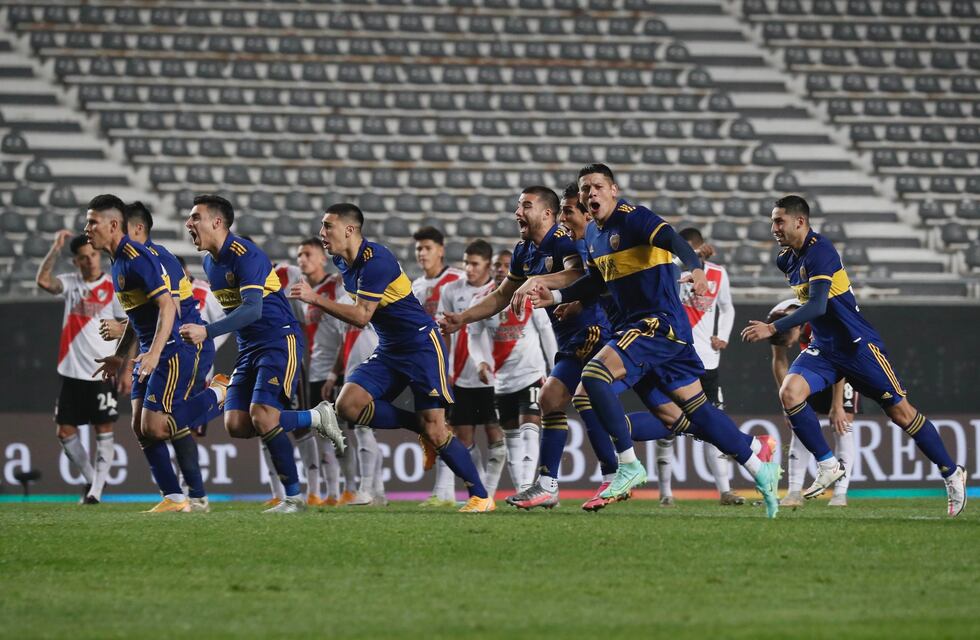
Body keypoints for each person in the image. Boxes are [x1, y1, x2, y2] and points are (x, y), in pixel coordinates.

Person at [529, 164, 782, 518]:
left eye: (597, 187)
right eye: (585, 190)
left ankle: (627, 465)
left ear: (614, 190)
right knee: (691, 412)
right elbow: (598, 283)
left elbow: (675, 241)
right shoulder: (595, 237)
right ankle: (758, 463)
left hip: (656, 325)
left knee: (594, 377)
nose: (591, 194)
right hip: (652, 334)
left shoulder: (634, 218)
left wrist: (695, 269)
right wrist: (557, 299)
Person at [741, 195, 966, 516]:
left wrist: (771, 328)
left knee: (902, 414)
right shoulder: (786, 259)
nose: (773, 227)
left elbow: (818, 305)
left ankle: (950, 472)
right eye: (772, 220)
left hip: (858, 347)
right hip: (824, 348)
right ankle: (828, 464)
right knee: (789, 392)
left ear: (799, 221)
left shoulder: (821, 251)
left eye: (779, 220)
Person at [285, 203, 494, 513]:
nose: (322, 233)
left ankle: (481, 496)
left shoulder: (376, 261)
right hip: (390, 349)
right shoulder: (344, 264)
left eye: (328, 226)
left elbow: (360, 315)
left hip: (421, 346)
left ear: (349, 230)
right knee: (348, 405)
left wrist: (316, 298)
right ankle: (420, 427)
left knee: (438, 429)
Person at [442, 185, 613, 510]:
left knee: (581, 400)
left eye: (526, 206)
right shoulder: (524, 251)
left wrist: (539, 281)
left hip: (592, 331)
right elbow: (502, 296)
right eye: (519, 206)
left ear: (547, 213)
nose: (518, 212)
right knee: (552, 400)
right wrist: (461, 318)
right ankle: (549, 486)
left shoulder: (564, 239)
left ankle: (613, 472)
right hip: (568, 340)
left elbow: (578, 273)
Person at [180, 194, 344, 514]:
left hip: (279, 341)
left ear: (217, 222)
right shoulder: (209, 262)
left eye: (195, 217)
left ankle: (294, 498)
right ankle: (315, 416)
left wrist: (207, 332)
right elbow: (233, 314)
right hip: (248, 348)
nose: (189, 224)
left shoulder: (246, 254)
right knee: (237, 424)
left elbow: (253, 310)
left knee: (263, 416)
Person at [85, 194, 223, 513]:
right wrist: (121, 356)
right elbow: (141, 314)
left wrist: (154, 352)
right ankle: (175, 497)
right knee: (141, 426)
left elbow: (168, 309)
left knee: (158, 425)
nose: (87, 228)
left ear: (127, 227)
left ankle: (220, 393)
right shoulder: (119, 261)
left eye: (93, 222)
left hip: (174, 346)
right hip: (150, 348)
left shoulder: (149, 257)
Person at [36, 230, 127, 504]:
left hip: (101, 371)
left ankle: (95, 492)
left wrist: (126, 368)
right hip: (71, 371)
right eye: (84, 258)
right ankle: (92, 480)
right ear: (76, 262)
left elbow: (129, 329)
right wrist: (54, 248)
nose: (91, 261)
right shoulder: (71, 284)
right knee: (64, 431)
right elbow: (42, 281)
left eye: (94, 255)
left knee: (103, 429)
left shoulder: (113, 288)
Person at [657, 227, 741, 507]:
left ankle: (725, 491)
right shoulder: (669, 269)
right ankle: (666, 493)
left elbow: (727, 307)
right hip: (675, 356)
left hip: (708, 361)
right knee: (668, 426)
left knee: (713, 425)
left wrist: (724, 335)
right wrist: (687, 260)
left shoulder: (718, 274)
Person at [464, 247, 556, 496]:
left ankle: (527, 487)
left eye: (505, 265)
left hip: (531, 373)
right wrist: (481, 362)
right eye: (496, 265)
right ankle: (522, 489)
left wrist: (554, 366)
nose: (500, 269)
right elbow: (473, 336)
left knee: (530, 430)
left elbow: (546, 331)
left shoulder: (528, 296)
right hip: (502, 380)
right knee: (512, 438)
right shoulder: (482, 301)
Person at [273, 240, 354, 507]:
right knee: (325, 430)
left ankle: (359, 488)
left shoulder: (338, 285)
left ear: (322, 258)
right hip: (317, 370)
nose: (302, 259)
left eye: (308, 254)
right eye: (299, 255)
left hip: (344, 365)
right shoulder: (299, 290)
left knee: (353, 431)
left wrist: (336, 370)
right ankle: (332, 492)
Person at [436, 240, 510, 504]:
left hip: (493, 376)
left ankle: (487, 490)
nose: (469, 268)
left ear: (488, 266)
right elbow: (443, 333)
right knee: (463, 438)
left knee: (496, 437)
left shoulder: (499, 293)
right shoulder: (450, 290)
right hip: (461, 375)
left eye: (475, 264)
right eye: (466, 262)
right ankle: (480, 492)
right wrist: (443, 368)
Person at [767, 300, 857, 508]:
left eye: (789, 340)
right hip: (812, 364)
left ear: (797, 327)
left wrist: (837, 406)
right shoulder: (775, 318)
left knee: (842, 426)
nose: (788, 345)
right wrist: (788, 403)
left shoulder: (820, 318)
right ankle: (793, 491)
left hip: (845, 364)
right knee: (801, 425)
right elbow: (779, 360)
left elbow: (840, 360)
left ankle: (840, 494)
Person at [410, 225, 465, 507]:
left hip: (458, 364)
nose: (422, 253)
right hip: (428, 366)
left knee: (452, 426)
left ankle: (445, 492)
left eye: (427, 247)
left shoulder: (458, 280)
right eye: (418, 248)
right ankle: (446, 491)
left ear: (441, 250)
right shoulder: (415, 288)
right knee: (436, 425)